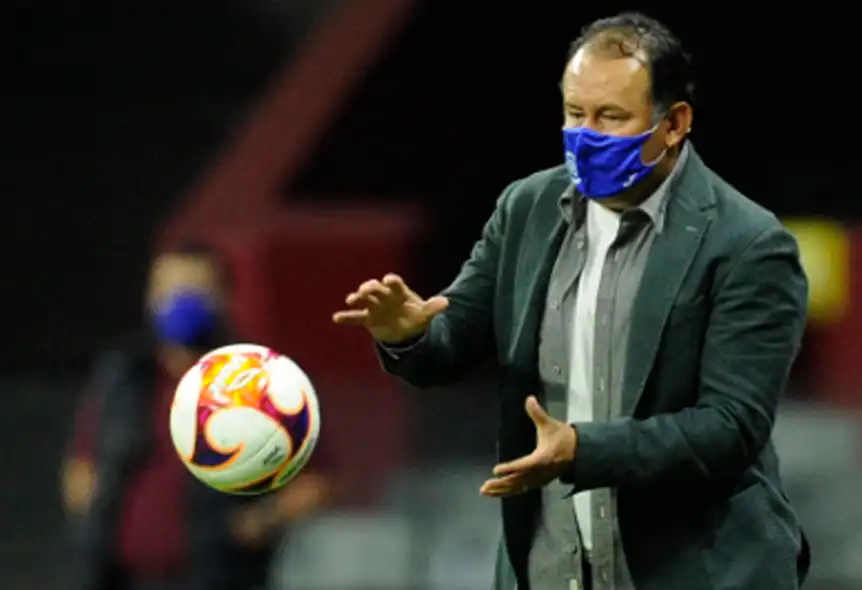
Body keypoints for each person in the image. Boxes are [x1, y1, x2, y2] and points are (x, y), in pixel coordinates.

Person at [334, 12, 810, 590]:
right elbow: (454, 339)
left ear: (674, 123)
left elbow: (730, 428)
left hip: (695, 569)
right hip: (550, 565)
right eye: (575, 113)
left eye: (611, 116)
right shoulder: (527, 208)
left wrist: (584, 450)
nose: (586, 135)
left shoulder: (748, 244)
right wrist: (407, 333)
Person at [62, 243, 334, 590]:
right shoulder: (125, 376)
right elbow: (82, 464)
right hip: (118, 578)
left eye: (194, 290)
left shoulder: (259, 382)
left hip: (216, 577)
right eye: (169, 290)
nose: (180, 302)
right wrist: (95, 516)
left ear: (224, 297)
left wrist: (259, 521)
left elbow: (318, 481)